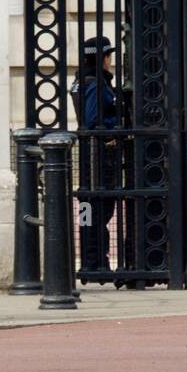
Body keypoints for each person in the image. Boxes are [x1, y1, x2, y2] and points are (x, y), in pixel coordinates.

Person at [69, 35, 122, 274]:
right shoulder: (95, 82)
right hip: (99, 154)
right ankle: (96, 261)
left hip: (90, 155)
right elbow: (91, 121)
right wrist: (116, 122)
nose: (110, 61)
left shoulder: (81, 80)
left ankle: (93, 260)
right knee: (98, 208)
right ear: (101, 58)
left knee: (89, 207)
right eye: (108, 56)